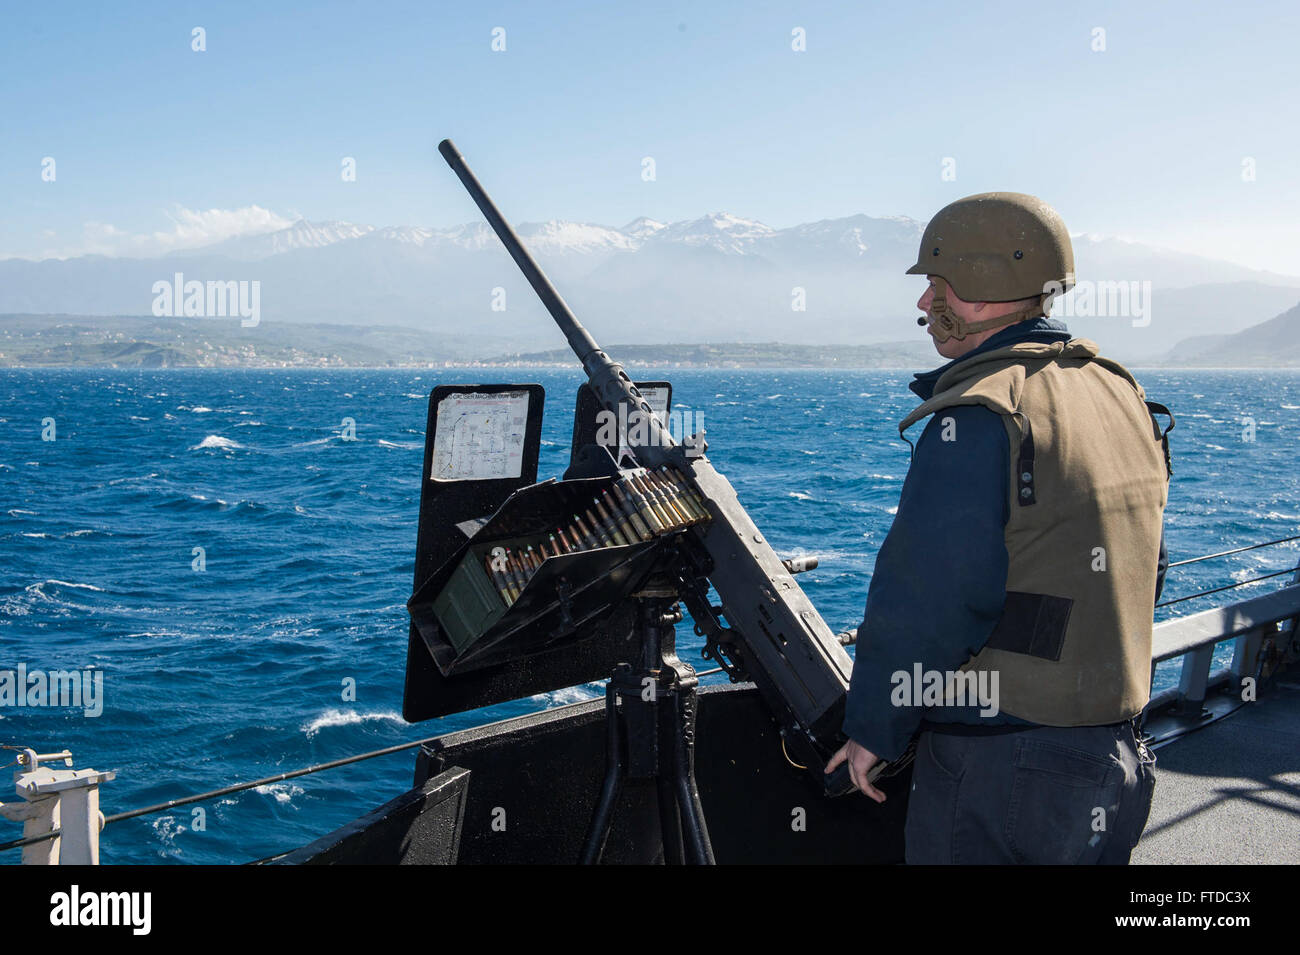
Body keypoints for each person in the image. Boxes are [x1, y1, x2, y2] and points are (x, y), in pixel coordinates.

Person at [824, 192, 1170, 864]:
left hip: (1002, 769)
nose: (925, 304)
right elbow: (1145, 565)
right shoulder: (1118, 392)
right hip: (1114, 755)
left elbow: (931, 599)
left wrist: (873, 731)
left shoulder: (981, 415)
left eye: (936, 281)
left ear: (982, 286)